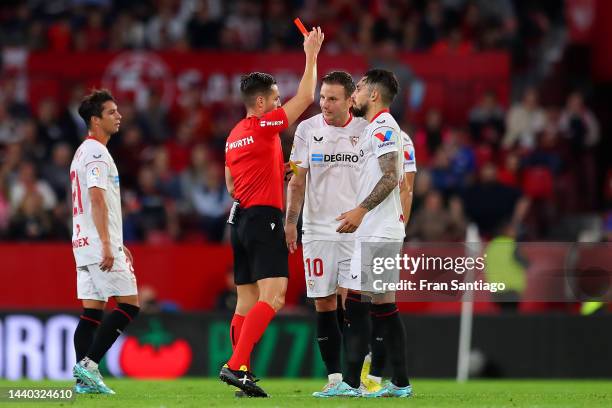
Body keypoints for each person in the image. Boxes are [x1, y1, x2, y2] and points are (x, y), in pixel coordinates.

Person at [219, 27, 324, 397]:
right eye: (277, 99)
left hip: (240, 219)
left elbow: (233, 186)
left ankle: (242, 371)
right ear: (261, 104)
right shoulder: (265, 126)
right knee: (275, 296)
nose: (281, 105)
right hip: (264, 218)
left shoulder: (233, 135)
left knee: (245, 302)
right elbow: (308, 96)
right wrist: (311, 54)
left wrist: (276, 173)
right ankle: (235, 365)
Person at [330, 69, 412, 398]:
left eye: (360, 88)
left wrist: (361, 211)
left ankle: (357, 383)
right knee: (377, 305)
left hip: (379, 229)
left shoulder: (384, 128)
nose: (356, 93)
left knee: (369, 304)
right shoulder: (373, 130)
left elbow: (392, 177)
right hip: (375, 230)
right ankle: (397, 383)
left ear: (374, 95)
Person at [284, 71, 368, 395]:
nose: (325, 104)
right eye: (322, 97)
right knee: (323, 303)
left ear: (350, 100)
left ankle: (354, 377)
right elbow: (297, 180)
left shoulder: (364, 131)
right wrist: (291, 221)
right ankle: (335, 378)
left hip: (354, 231)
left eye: (332, 98)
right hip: (317, 231)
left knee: (353, 303)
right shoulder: (307, 130)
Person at [70, 89, 140, 395]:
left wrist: (114, 240)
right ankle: (89, 366)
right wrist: (109, 245)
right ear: (95, 120)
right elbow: (97, 199)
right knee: (130, 304)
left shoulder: (82, 152)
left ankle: (83, 382)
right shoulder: (97, 153)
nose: (119, 116)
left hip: (83, 242)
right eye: (112, 112)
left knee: (92, 312)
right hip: (98, 245)